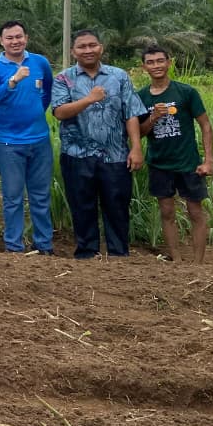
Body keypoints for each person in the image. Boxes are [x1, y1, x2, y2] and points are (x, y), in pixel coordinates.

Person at [52, 29, 147, 259]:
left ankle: (118, 255)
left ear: (101, 48)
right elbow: (60, 112)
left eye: (92, 45)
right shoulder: (64, 78)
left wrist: (136, 148)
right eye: (82, 46)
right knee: (81, 206)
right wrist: (89, 99)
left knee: (117, 206)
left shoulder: (119, 76)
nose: (88, 50)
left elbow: (131, 113)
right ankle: (87, 254)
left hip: (115, 154)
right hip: (76, 154)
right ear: (73, 51)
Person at [0, 20, 55, 254]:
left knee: (40, 196)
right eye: (10, 38)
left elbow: (47, 92)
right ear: (1, 41)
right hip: (8, 143)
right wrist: (12, 81)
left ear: (26, 38)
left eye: (19, 37)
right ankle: (14, 247)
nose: (15, 41)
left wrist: (36, 112)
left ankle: (44, 245)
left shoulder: (40, 62)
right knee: (12, 198)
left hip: (39, 140)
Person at [138, 45, 213, 262]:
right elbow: (139, 132)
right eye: (150, 62)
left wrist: (208, 160)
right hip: (159, 163)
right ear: (144, 67)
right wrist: (153, 117)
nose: (156, 65)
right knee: (167, 212)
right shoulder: (141, 96)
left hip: (188, 163)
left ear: (168, 63)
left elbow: (205, 125)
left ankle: (198, 264)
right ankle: (177, 261)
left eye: (160, 61)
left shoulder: (186, 92)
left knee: (195, 212)